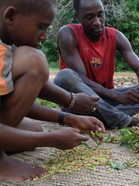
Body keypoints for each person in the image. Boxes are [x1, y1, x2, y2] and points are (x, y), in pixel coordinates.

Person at [0, 0, 106, 181]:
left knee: (34, 131)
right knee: (35, 60)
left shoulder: (8, 45)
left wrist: (67, 117)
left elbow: (12, 100)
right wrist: (52, 139)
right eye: (41, 27)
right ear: (10, 16)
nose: (44, 36)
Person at [54, 0, 139, 129]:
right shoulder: (68, 33)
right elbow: (81, 79)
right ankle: (120, 119)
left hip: (105, 100)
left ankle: (103, 117)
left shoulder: (116, 36)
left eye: (100, 15)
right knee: (64, 76)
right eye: (89, 17)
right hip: (80, 102)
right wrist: (116, 95)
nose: (97, 22)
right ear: (77, 16)